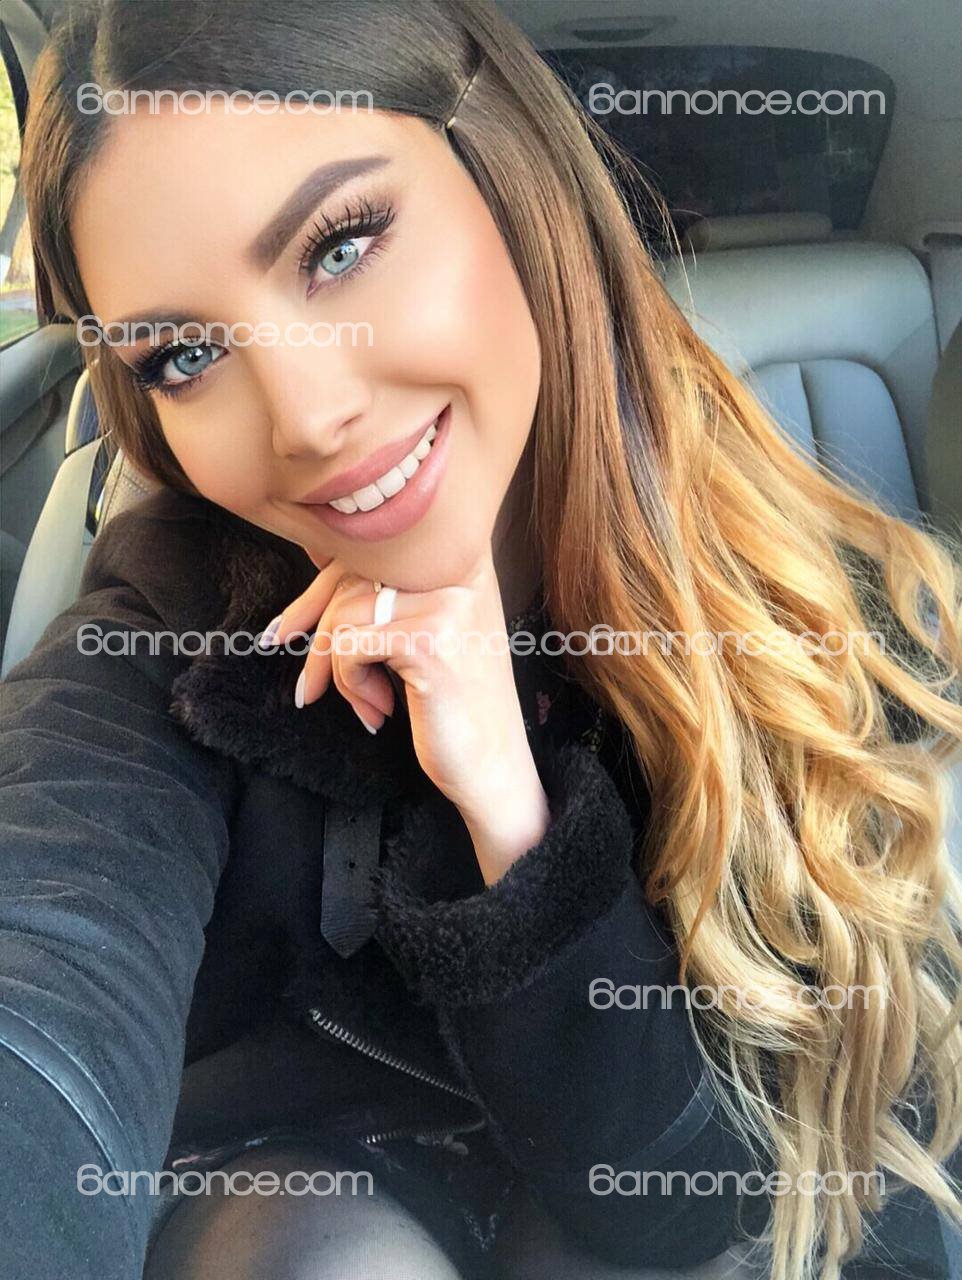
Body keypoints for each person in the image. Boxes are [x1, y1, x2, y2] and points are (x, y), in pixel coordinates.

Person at [3, 1, 961, 1277]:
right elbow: (48, 945)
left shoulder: (826, 618)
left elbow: (739, 1194)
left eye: (342, 245)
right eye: (182, 353)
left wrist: (511, 819)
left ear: (511, 180)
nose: (307, 416)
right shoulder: (167, 615)